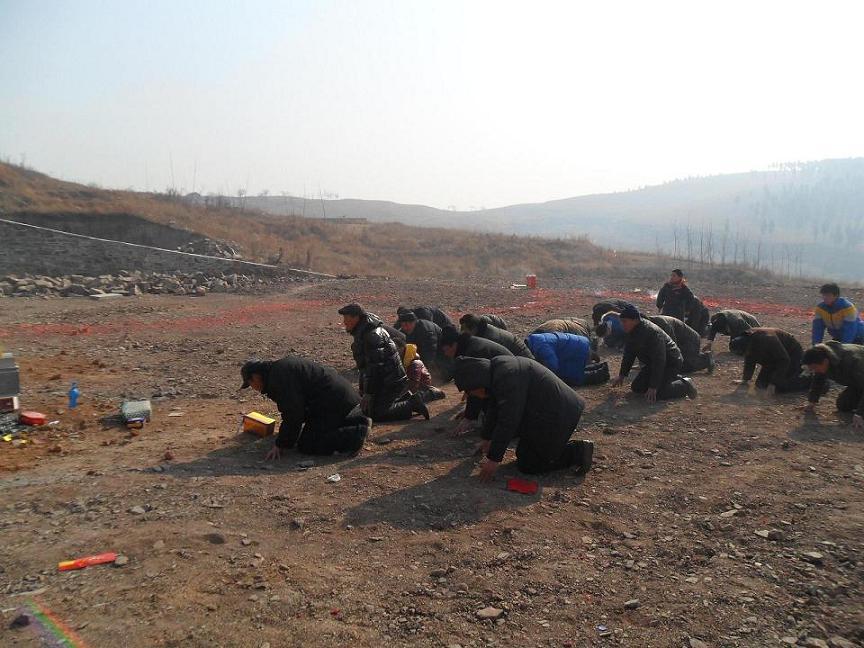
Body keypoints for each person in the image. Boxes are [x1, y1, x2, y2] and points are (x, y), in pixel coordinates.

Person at [453, 356, 594, 480]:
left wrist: (493, 459)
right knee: (523, 453)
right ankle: (553, 448)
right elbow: (495, 408)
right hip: (544, 412)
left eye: (471, 391)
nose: (474, 395)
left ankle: (578, 451)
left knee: (530, 465)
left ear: (477, 382)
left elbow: (509, 420)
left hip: (559, 414)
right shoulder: (498, 371)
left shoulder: (508, 377)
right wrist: (487, 438)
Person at [240, 357, 370, 460]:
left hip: (335, 403)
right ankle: (356, 421)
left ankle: (356, 434)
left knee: (308, 444)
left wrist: (281, 444)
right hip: (337, 399)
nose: (253, 388)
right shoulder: (279, 370)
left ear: (256, 376)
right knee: (309, 432)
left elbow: (293, 414)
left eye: (250, 384)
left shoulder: (279, 378)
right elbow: (297, 411)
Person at [338, 303, 429, 421]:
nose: (344, 322)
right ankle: (404, 398)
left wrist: (369, 393)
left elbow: (375, 367)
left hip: (390, 381)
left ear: (356, 318)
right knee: (367, 409)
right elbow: (366, 367)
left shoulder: (371, 335)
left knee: (376, 414)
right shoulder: (366, 331)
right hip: (387, 379)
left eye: (347, 318)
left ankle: (411, 404)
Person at [611, 304, 697, 403]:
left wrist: (653, 386)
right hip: (652, 364)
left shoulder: (651, 332)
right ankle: (670, 379)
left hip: (671, 363)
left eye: (624, 321)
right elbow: (629, 353)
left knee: (658, 393)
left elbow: (660, 360)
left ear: (634, 320)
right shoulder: (632, 331)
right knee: (637, 387)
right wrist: (622, 374)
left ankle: (685, 385)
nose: (622, 324)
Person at [440, 326, 513, 433]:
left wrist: (469, 418)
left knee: (492, 425)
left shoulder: (473, 352)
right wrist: (469, 411)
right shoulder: (467, 347)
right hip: (498, 379)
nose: (446, 354)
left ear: (454, 344)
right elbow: (474, 389)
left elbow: (478, 388)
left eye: (446, 350)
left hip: (508, 382)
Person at [802, 342, 864, 430]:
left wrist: (860, 414)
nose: (814, 370)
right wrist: (812, 402)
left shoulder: (852, 361)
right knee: (843, 405)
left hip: (861, 376)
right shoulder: (825, 359)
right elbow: (818, 380)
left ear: (825, 362)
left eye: (815, 367)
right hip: (858, 383)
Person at [729, 328, 810, 394]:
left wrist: (774, 383)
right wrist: (745, 380)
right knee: (760, 386)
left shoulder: (767, 339)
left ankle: (810, 381)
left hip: (792, 354)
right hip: (773, 360)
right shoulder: (748, 339)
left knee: (780, 388)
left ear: (748, 346)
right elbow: (750, 360)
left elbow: (784, 360)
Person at [525, 332, 610, 387]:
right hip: (578, 344)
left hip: (579, 349)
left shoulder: (541, 346)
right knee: (568, 369)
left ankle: (602, 374)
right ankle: (598, 367)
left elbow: (553, 364)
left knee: (573, 377)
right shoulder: (535, 340)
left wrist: (545, 379)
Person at [646, 315, 714, 373]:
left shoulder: (663, 325)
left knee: (680, 367)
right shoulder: (651, 325)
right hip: (682, 341)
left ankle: (707, 359)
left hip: (691, 340)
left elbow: (672, 348)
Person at [460, 314, 534, 359]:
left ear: (474, 328)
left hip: (523, 362)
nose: (462, 332)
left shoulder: (491, 338)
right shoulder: (485, 331)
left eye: (464, 329)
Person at [397, 311, 444, 376]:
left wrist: (425, 371)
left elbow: (430, 352)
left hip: (440, 349)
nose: (405, 328)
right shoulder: (403, 331)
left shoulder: (426, 331)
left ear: (414, 322)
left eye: (407, 325)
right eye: (403, 325)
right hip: (421, 347)